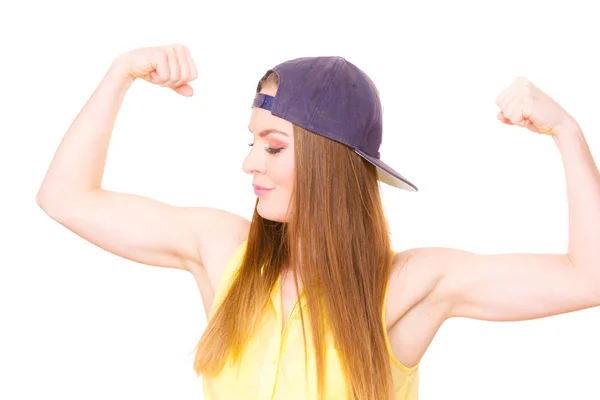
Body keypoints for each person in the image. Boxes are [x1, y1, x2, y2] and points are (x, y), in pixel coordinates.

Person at [35, 44, 600, 400]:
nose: (249, 162)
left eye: (273, 146)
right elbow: (65, 197)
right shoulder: (221, 250)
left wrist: (567, 133)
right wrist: (120, 73)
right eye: (252, 142)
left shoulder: (407, 287)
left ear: (330, 165)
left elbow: (588, 277)